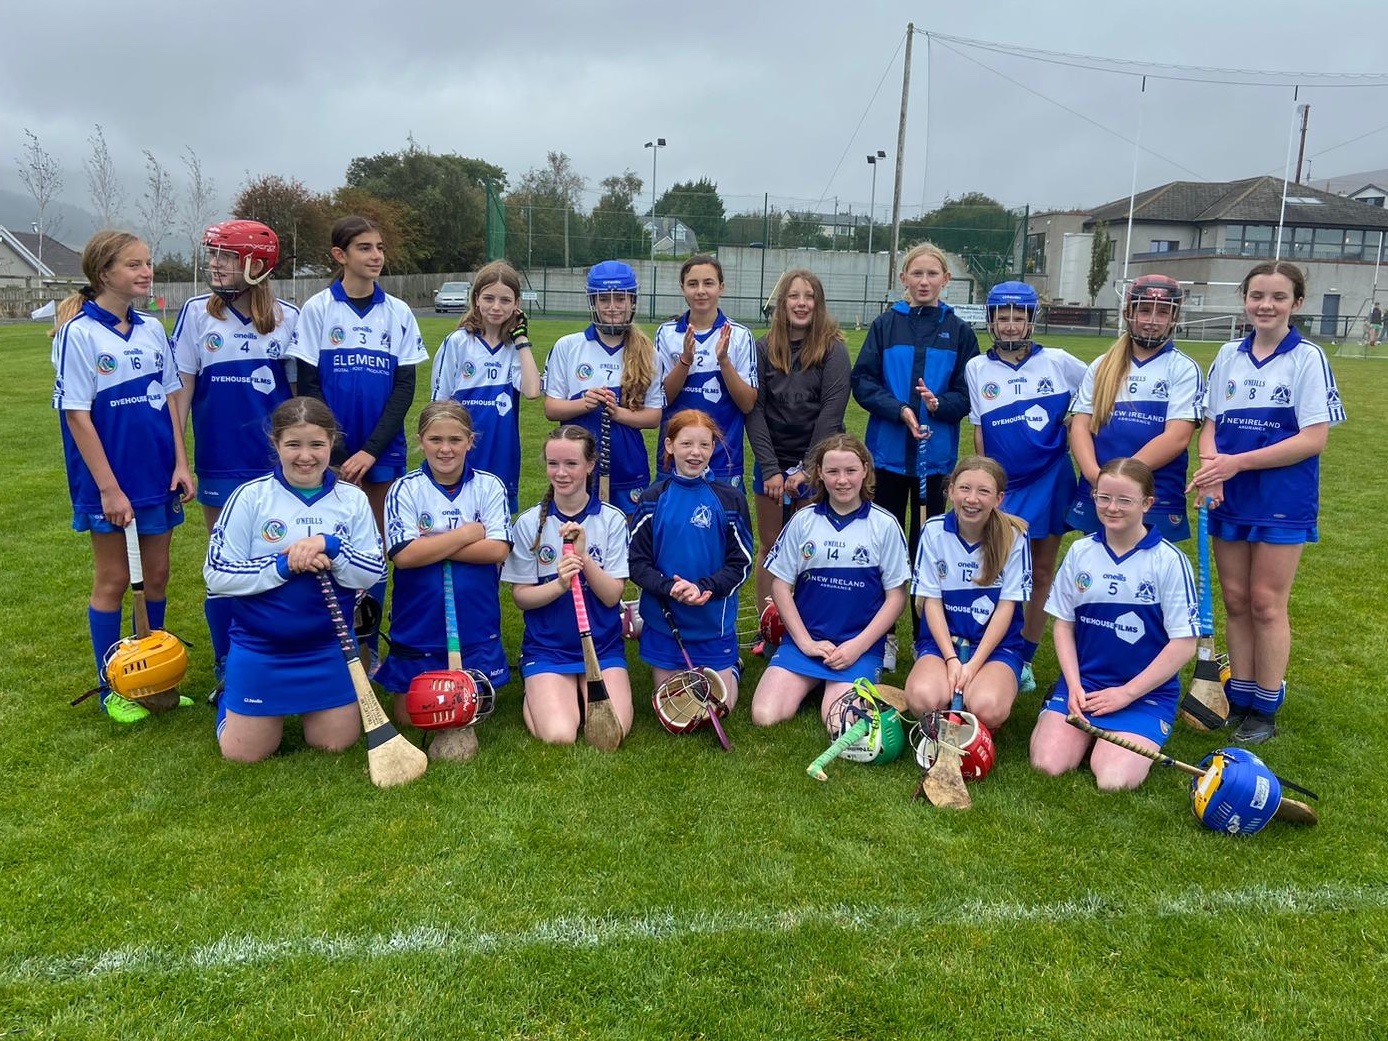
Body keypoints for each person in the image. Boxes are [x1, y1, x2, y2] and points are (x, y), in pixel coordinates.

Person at [1188, 261, 1345, 744]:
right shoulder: (1227, 354)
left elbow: (1313, 439)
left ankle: (1266, 706)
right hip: (1230, 493)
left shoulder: (1308, 358)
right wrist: (1212, 470)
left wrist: (1235, 465)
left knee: (1266, 603)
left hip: (1282, 497)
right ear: (1245, 300)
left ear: (1297, 303)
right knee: (1236, 599)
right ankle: (1241, 693)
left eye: (1278, 297)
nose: (1266, 305)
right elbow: (1211, 424)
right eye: (1257, 295)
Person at [51, 230, 195, 723]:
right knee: (114, 579)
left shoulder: (153, 329)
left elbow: (171, 399)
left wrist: (181, 462)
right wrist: (109, 489)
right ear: (103, 273)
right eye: (134, 264)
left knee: (156, 575)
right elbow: (76, 416)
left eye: (148, 263)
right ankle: (112, 686)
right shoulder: (78, 333)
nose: (146, 272)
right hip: (108, 482)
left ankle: (152, 676)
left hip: (157, 473)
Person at [204, 397, 387, 762]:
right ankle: (231, 695)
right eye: (293, 445)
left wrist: (333, 548)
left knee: (335, 744)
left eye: (316, 444)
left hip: (329, 647)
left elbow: (373, 571)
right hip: (261, 647)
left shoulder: (351, 500)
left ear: (331, 442)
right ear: (275, 443)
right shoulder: (251, 498)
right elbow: (217, 574)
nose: (306, 456)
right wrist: (283, 565)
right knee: (245, 754)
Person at [171, 220, 298, 700]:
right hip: (220, 462)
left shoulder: (289, 317)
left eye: (225, 256)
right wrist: (180, 460)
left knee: (279, 556)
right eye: (213, 255)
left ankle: (278, 653)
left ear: (256, 265)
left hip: (277, 467)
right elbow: (179, 395)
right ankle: (228, 662)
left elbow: (300, 402)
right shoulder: (195, 314)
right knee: (226, 563)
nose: (214, 265)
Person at [287, 215, 427, 644]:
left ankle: (367, 644)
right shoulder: (318, 308)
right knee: (327, 537)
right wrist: (338, 449)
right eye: (365, 248)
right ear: (340, 255)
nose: (376, 256)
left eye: (380, 247)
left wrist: (369, 451)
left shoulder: (398, 312)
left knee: (375, 544)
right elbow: (309, 385)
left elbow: (404, 389)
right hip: (330, 452)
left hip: (380, 450)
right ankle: (329, 636)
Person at [1029, 458, 1198, 790]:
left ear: (1147, 503)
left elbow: (1184, 644)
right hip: (1085, 687)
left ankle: (1111, 738)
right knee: (1047, 765)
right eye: (1104, 497)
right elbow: (1063, 625)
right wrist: (1074, 685)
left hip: (1143, 695)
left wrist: (1126, 694)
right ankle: (1070, 719)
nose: (1112, 507)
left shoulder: (1169, 561)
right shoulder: (1080, 552)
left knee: (1113, 780)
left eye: (1125, 500)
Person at [966, 281, 1087, 694]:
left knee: (1041, 570)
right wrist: (986, 482)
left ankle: (1027, 656)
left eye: (1019, 317)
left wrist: (1075, 424)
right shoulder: (977, 368)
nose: (1011, 325)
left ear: (1032, 319)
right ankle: (989, 648)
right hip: (1005, 487)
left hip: (1051, 478)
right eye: (1003, 317)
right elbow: (980, 432)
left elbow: (1094, 399)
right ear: (991, 320)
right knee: (994, 568)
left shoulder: (1059, 361)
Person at [850, 243, 979, 620]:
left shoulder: (958, 331)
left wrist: (940, 405)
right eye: (917, 274)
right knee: (884, 547)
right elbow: (863, 381)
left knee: (926, 547)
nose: (924, 281)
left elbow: (968, 392)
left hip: (934, 461)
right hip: (887, 456)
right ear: (903, 278)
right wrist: (900, 409)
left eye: (932, 274)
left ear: (946, 279)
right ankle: (883, 632)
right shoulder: (886, 325)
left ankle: (926, 633)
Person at [376, 402, 512, 759]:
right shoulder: (405, 489)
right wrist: (466, 534)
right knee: (409, 716)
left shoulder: (489, 486)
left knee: (473, 706)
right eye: (435, 439)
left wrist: (432, 544)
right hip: (418, 618)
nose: (445, 449)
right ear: (421, 440)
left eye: (455, 439)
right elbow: (404, 555)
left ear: (470, 441)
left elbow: (497, 549)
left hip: (475, 616)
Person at [750, 434, 910, 726]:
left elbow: (896, 597)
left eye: (851, 471)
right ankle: (812, 678)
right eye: (833, 471)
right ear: (820, 474)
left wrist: (857, 646)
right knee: (765, 716)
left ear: (865, 470)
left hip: (858, 647)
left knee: (839, 721)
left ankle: (830, 685)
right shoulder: (803, 520)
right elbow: (780, 586)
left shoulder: (884, 524)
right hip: (805, 642)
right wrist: (806, 643)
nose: (842, 480)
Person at [501, 425, 634, 744]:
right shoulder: (529, 523)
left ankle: (570, 694)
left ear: (590, 465)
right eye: (553, 463)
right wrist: (561, 584)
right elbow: (522, 598)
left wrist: (583, 558)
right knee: (559, 735)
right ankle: (537, 689)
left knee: (613, 733)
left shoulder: (612, 520)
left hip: (601, 648)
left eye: (571, 464)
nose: (560, 473)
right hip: (548, 649)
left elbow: (612, 596)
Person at [629, 410, 755, 710]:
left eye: (704, 445)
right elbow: (637, 563)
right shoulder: (652, 499)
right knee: (677, 706)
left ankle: (732, 667)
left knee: (719, 707)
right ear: (669, 445)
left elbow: (742, 564)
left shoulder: (730, 499)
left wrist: (703, 586)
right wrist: (669, 587)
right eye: (686, 444)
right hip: (665, 620)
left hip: (712, 621)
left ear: (713, 448)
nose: (695, 453)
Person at [745, 268, 851, 617]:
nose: (801, 303)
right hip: (773, 461)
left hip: (818, 462)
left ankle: (807, 623)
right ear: (782, 302)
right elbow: (754, 411)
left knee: (810, 548)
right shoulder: (763, 348)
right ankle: (769, 626)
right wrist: (771, 470)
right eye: (794, 296)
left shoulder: (833, 349)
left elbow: (832, 412)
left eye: (809, 296)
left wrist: (808, 468)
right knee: (771, 546)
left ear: (818, 303)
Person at [1067, 274, 1203, 543]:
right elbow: (1080, 426)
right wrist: (1097, 478)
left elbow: (1177, 437)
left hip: (1155, 493)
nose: (1152, 320)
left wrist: (1122, 480)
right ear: (1128, 313)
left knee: (1150, 566)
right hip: (1099, 489)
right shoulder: (1102, 365)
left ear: (1174, 318)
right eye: (1144, 310)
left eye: (1162, 312)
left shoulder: (1183, 368)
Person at [903, 456, 1031, 733]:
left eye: (983, 491)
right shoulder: (933, 530)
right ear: (951, 491)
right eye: (964, 488)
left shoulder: (1014, 536)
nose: (972, 499)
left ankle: (992, 690)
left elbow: (1006, 608)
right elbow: (931, 603)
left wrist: (972, 665)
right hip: (942, 644)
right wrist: (951, 660)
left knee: (987, 708)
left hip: (995, 648)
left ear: (998, 499)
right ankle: (951, 696)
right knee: (922, 699)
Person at [544, 260, 663, 515]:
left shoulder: (648, 353)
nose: (612, 307)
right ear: (593, 302)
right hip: (576, 466)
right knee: (576, 532)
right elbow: (551, 409)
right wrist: (583, 403)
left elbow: (653, 417)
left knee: (629, 533)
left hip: (628, 466)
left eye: (620, 299)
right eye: (604, 299)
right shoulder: (568, 346)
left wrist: (618, 413)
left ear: (632, 301)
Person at [430, 260, 541, 514]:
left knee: (496, 528)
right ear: (476, 299)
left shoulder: (514, 349)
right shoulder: (457, 342)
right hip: (461, 453)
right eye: (489, 298)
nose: (496, 307)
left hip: (501, 452)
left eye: (505, 300)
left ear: (517, 304)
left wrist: (521, 339)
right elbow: (439, 406)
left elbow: (533, 391)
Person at [655, 254, 757, 488]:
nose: (700, 291)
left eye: (708, 283)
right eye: (693, 284)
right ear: (682, 288)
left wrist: (724, 361)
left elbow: (747, 404)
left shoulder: (740, 335)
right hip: (676, 458)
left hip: (724, 459)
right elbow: (661, 399)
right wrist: (685, 361)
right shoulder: (667, 333)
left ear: (721, 287)